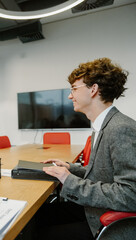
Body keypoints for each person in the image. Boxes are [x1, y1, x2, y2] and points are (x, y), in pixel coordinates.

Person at [35, 58, 136, 239]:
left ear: (93, 89)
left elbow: (130, 195)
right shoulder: (103, 126)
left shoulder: (120, 129)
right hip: (94, 208)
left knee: (37, 233)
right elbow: (104, 173)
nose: (69, 96)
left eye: (74, 89)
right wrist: (70, 168)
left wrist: (69, 180)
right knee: (36, 218)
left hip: (104, 222)